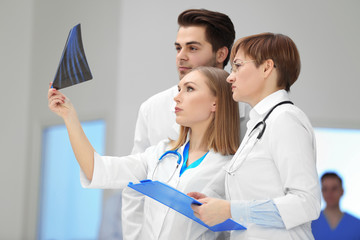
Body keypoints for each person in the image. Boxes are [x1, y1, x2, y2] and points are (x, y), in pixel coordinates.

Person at [48, 66, 240, 240]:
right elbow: (96, 169)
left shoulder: (231, 168)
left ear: (215, 103)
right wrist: (69, 116)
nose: (177, 96)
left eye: (189, 89)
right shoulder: (160, 153)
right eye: (179, 88)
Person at [121, 8, 250, 240]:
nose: (181, 56)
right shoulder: (154, 108)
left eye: (193, 48)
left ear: (221, 54)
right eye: (178, 48)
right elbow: (134, 186)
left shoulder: (248, 114)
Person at [189, 33, 321, 239]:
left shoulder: (285, 120)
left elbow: (307, 203)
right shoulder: (258, 123)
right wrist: (213, 203)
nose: (229, 76)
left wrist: (230, 210)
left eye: (238, 66)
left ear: (267, 67)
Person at [312, 172, 360, 240]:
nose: (329, 193)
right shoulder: (310, 225)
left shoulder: (357, 226)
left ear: (342, 191)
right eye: (325, 189)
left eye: (334, 188)